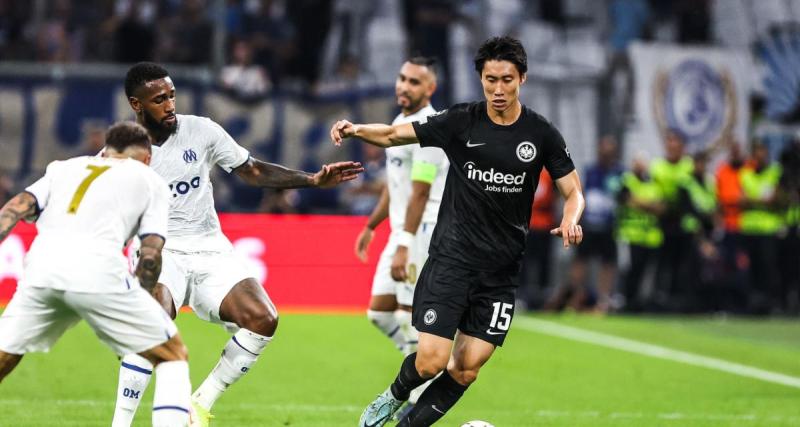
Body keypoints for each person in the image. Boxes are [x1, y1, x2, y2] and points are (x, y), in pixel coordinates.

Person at [331, 36, 584, 427]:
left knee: (466, 367)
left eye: (507, 80)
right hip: (452, 259)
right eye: (489, 80)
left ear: (523, 79)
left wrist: (571, 218)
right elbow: (395, 135)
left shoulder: (541, 133)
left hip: (500, 273)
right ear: (480, 79)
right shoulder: (462, 120)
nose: (498, 89)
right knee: (431, 360)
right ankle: (392, 397)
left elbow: (573, 191)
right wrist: (355, 129)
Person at [112, 62, 364, 427]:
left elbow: (254, 170)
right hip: (159, 249)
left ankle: (198, 405)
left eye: (171, 96)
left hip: (210, 247)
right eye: (158, 99)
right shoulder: (124, 150)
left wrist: (312, 180)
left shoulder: (200, 130)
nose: (168, 105)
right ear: (137, 104)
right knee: (153, 322)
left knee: (263, 318)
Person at [0, 122, 192, 427]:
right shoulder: (150, 179)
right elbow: (151, 251)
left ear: (106, 150)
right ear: (146, 157)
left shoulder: (63, 168)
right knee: (173, 355)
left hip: (41, 270)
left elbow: (14, 208)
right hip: (98, 272)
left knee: (5, 355)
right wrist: (141, 307)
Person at [353, 56, 447, 416]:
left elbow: (420, 192)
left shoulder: (429, 129)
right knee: (378, 313)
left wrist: (405, 244)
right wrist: (371, 225)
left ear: (429, 89)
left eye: (414, 82)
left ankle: (412, 402)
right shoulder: (399, 122)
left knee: (409, 317)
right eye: (402, 78)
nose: (404, 86)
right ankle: (424, 370)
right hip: (400, 231)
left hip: (421, 233)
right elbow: (395, 188)